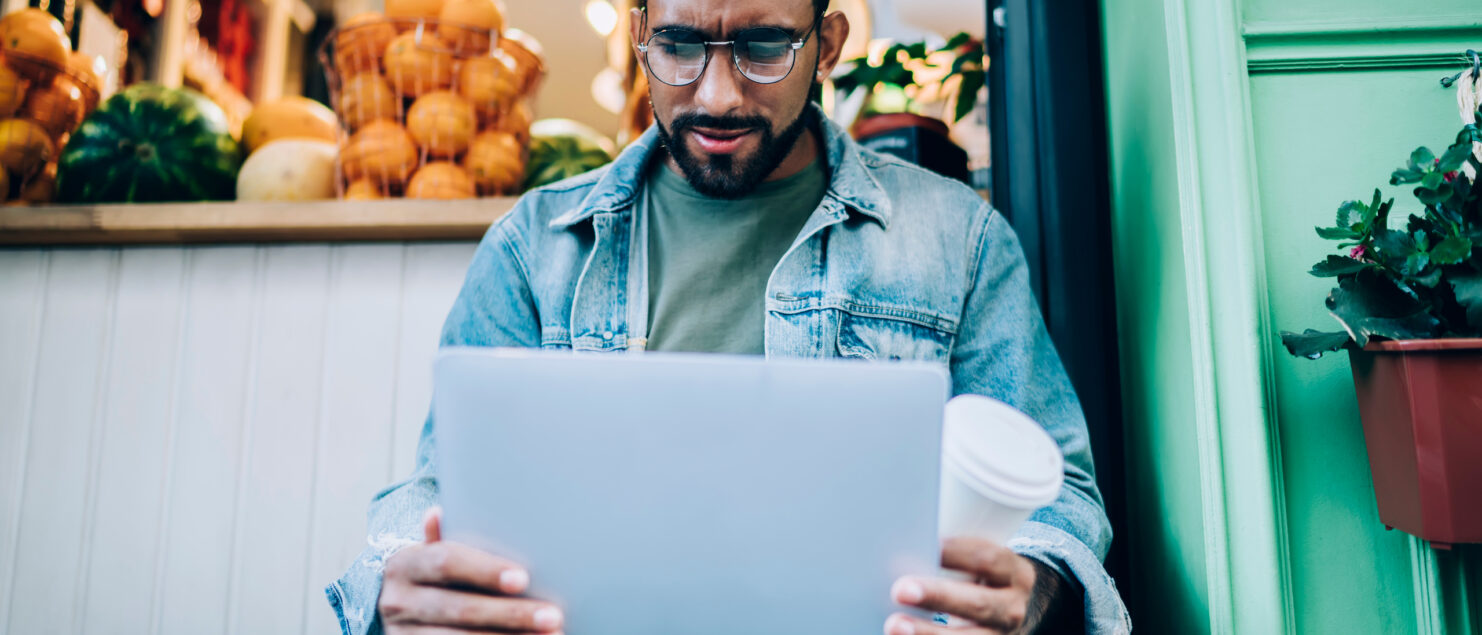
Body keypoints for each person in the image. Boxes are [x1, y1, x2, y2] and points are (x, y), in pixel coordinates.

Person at [326, 0, 1131, 632]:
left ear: (830, 41)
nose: (716, 95)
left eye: (763, 47)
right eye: (678, 44)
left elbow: (1056, 501)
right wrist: (400, 576)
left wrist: (1033, 596)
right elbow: (438, 493)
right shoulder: (532, 246)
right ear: (638, 35)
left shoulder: (960, 239)